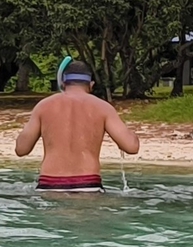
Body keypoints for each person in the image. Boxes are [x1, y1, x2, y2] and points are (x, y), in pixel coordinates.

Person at [14, 58, 140, 191]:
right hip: (88, 185)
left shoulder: (43, 106)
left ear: (63, 83)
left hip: (49, 184)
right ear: (91, 85)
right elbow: (131, 147)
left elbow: (21, 149)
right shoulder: (103, 107)